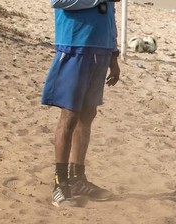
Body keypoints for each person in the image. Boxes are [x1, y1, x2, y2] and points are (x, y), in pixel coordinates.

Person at [42, 0, 121, 207]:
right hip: (74, 46)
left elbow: (110, 13)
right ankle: (60, 183)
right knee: (69, 115)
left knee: (87, 114)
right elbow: (58, 1)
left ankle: (78, 178)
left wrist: (114, 54)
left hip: (101, 49)